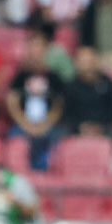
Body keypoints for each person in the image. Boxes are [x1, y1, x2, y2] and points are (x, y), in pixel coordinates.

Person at [6, 30, 66, 170]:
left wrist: (44, 124)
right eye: (33, 46)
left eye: (40, 46)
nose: (36, 50)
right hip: (22, 124)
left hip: (49, 124)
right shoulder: (20, 77)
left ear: (46, 50)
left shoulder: (54, 77)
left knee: (57, 139)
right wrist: (26, 124)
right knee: (13, 140)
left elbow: (58, 105)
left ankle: (46, 172)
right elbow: (12, 102)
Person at [64, 46, 112, 138]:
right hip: (78, 128)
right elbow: (67, 114)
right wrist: (80, 126)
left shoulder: (108, 83)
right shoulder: (71, 86)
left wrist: (100, 126)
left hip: (104, 127)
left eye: (90, 61)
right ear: (77, 63)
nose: (87, 65)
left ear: (96, 60)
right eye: (84, 61)